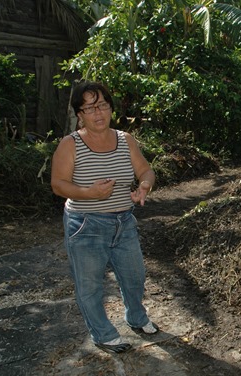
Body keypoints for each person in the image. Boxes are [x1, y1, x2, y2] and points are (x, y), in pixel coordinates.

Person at [51, 81, 159, 354]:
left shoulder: (125, 140)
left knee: (134, 277)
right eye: (89, 108)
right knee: (90, 286)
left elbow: (146, 171)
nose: (98, 113)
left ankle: (136, 317)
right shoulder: (70, 144)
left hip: (124, 222)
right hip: (85, 224)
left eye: (102, 106)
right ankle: (102, 333)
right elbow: (58, 184)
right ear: (80, 114)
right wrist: (89, 193)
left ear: (111, 107)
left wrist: (144, 186)